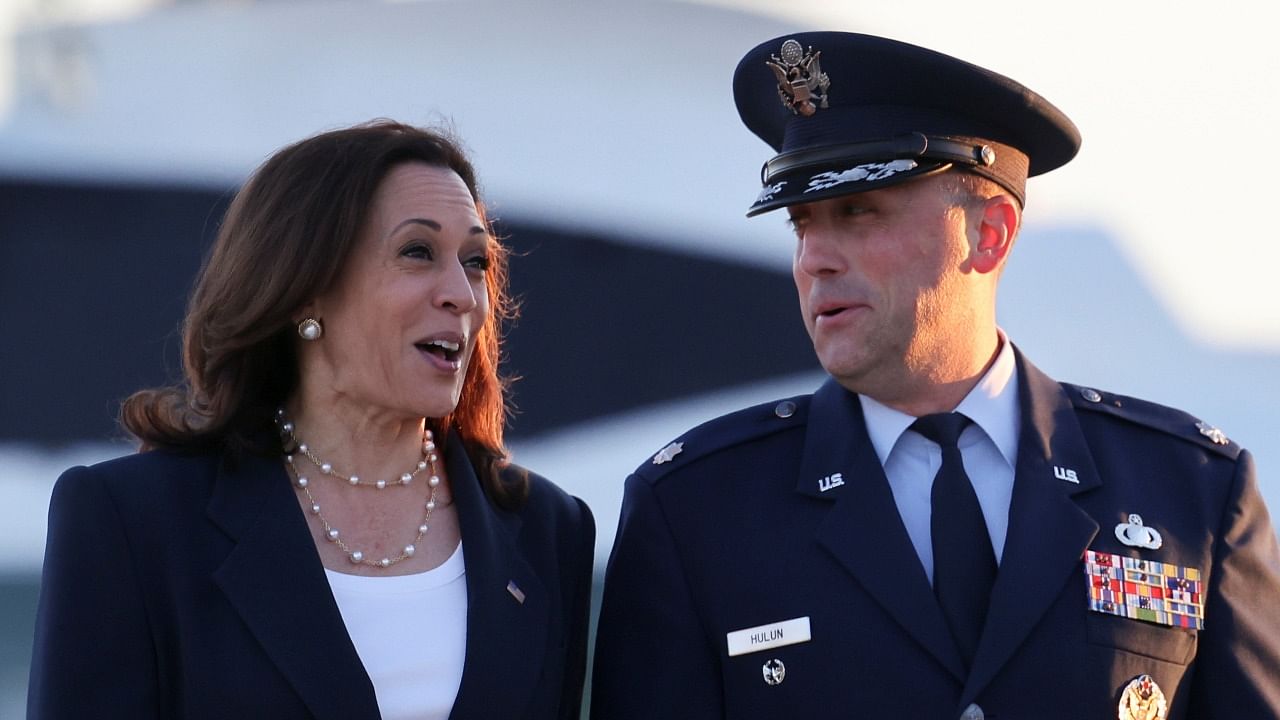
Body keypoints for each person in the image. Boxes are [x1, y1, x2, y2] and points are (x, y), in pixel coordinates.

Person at [591, 32, 1280, 720]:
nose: (814, 259)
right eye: (802, 224)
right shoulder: (695, 510)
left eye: (859, 213)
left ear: (991, 234)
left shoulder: (1190, 490)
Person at [28, 120, 595, 720]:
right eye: (417, 252)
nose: (462, 293)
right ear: (304, 291)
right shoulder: (132, 522)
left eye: (475, 260)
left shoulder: (546, 531)